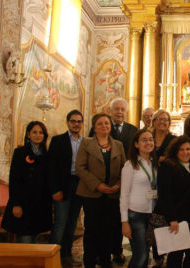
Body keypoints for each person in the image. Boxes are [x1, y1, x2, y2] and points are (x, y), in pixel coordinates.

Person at [90, 98, 137, 265]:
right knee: (98, 223)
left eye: (122, 109)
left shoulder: (133, 130)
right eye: (116, 109)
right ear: (111, 111)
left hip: (122, 182)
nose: (119, 112)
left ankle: (117, 251)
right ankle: (99, 253)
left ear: (126, 112)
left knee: (117, 220)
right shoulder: (99, 128)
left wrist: (121, 182)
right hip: (99, 185)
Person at [76, 113, 126, 268]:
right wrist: (97, 185)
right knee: (92, 228)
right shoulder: (86, 143)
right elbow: (80, 167)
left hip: (112, 194)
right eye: (100, 124)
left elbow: (125, 168)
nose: (104, 126)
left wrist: (118, 185)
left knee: (108, 228)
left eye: (107, 123)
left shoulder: (118, 145)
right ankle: (89, 260)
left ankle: (105, 259)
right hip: (92, 193)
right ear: (94, 127)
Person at [2, 121, 52, 243]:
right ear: (28, 134)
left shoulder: (47, 155)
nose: (38, 135)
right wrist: (16, 204)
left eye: (41, 132)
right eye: (34, 132)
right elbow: (14, 179)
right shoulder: (20, 153)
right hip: (23, 203)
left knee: (35, 239)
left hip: (40, 204)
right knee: (25, 239)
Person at [153, 136, 190, 268]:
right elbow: (165, 195)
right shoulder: (168, 166)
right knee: (176, 254)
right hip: (176, 217)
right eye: (181, 149)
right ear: (175, 151)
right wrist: (172, 219)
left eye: (188, 149)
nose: (185, 152)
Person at [48, 110, 84, 266]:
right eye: (73, 121)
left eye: (79, 121)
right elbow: (51, 167)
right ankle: (51, 254)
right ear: (68, 122)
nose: (76, 124)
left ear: (82, 123)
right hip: (63, 184)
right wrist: (54, 189)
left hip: (79, 184)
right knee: (60, 223)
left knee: (72, 222)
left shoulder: (86, 142)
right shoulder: (58, 140)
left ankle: (66, 253)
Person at [120, 129, 158, 268]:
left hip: (151, 214)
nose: (148, 142)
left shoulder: (155, 164)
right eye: (144, 140)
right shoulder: (130, 165)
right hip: (135, 214)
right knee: (140, 254)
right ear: (136, 144)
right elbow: (123, 194)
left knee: (145, 252)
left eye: (150, 139)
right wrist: (124, 221)